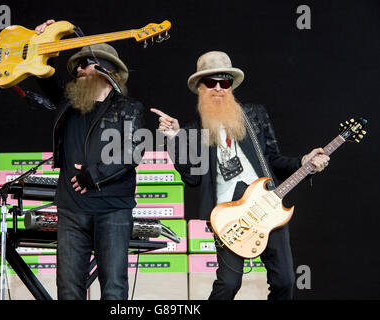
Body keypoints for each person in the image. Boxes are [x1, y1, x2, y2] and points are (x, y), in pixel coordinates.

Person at [151, 51, 329, 300]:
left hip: (268, 207)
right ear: (200, 89)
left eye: (224, 82)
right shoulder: (194, 131)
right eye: (210, 83)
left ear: (231, 86)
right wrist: (174, 139)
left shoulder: (254, 115)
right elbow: (191, 178)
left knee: (285, 281)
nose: (217, 89)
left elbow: (273, 159)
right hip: (228, 216)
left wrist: (303, 161)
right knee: (228, 284)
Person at [34, 20, 145, 300]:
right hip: (71, 209)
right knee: (69, 290)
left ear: (106, 69)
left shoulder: (129, 107)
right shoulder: (68, 102)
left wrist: (93, 175)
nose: (79, 69)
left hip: (113, 209)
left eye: (86, 63)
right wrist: (41, 41)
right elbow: (41, 73)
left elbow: (132, 152)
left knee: (114, 288)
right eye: (78, 64)